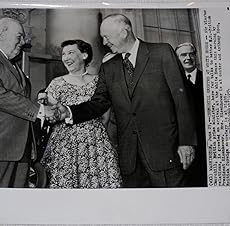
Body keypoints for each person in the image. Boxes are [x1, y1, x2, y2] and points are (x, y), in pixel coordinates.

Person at [49, 14, 197, 188]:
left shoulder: (162, 52)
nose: (104, 43)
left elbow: (182, 99)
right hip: (130, 160)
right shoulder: (109, 67)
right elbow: (98, 103)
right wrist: (69, 111)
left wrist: (186, 142)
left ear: (124, 32)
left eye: (107, 37)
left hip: (165, 154)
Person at [0, 17, 48, 187]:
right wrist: (40, 110)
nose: (23, 42)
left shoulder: (14, 66)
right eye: (19, 36)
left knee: (13, 204)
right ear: (1, 33)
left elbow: (18, 102)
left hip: (20, 151)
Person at [40, 39, 122, 188]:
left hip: (95, 145)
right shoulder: (56, 83)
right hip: (64, 145)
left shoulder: (99, 81)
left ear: (84, 55)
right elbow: (50, 115)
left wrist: (91, 134)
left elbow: (105, 117)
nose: (65, 57)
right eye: (63, 54)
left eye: (70, 52)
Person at [175, 42, 207, 186]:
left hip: (207, 143)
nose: (188, 57)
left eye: (191, 54)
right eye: (183, 55)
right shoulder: (173, 84)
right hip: (185, 146)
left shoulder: (209, 80)